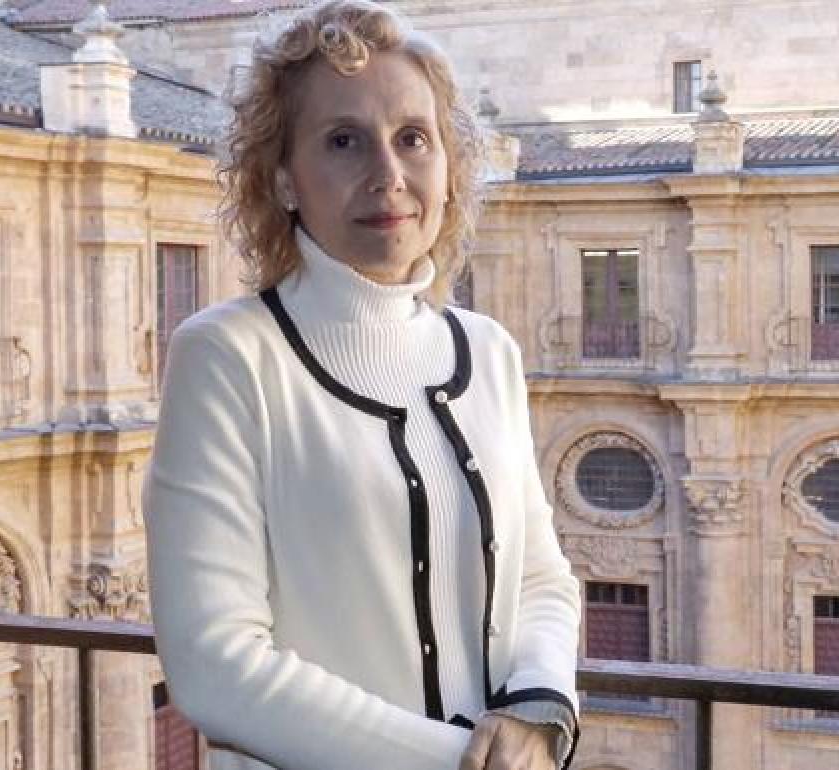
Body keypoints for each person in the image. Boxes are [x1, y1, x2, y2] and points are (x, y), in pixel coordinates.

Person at [141, 2, 582, 769]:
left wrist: (540, 711)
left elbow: (541, 576)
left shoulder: (488, 352)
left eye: (413, 138)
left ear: (448, 168)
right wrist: (464, 761)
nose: (389, 175)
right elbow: (216, 667)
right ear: (283, 178)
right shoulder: (228, 357)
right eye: (344, 141)